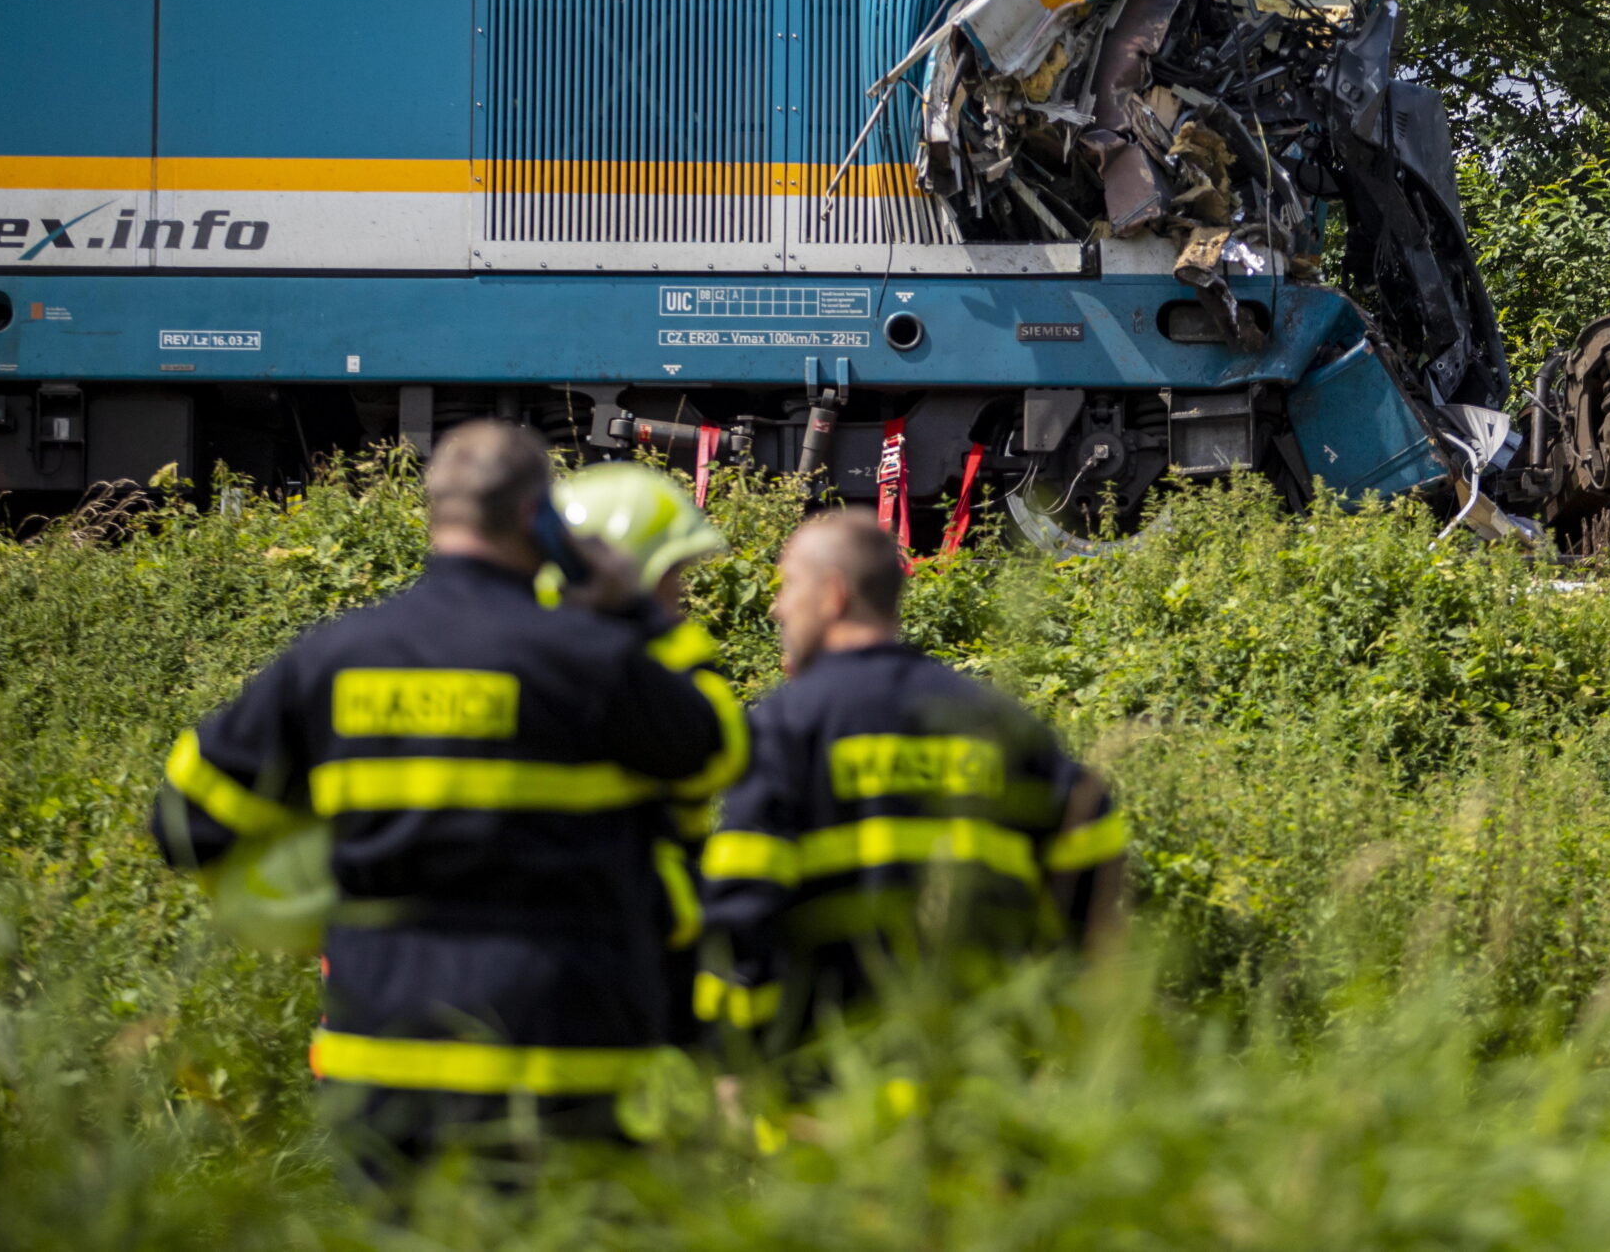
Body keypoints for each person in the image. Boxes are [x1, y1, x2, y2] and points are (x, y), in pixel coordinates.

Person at [149, 422, 747, 1185]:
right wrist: (635, 609)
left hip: (381, 1065)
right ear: (541, 520)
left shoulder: (333, 657)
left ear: (437, 513)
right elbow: (716, 747)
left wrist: (312, 902)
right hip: (558, 1059)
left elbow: (183, 823)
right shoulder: (591, 659)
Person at [695, 510, 1124, 1062]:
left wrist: (735, 1057)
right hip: (985, 1081)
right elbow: (1093, 848)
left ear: (832, 595)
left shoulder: (786, 727)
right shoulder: (998, 723)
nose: (777, 606)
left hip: (832, 1088)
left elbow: (741, 910)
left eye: (789, 585)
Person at [553, 461, 737, 1047]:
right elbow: (717, 752)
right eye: (670, 578)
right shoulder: (644, 664)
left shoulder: (503, 646)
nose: (679, 597)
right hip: (628, 926)